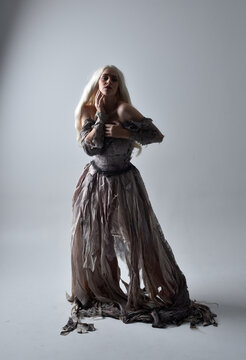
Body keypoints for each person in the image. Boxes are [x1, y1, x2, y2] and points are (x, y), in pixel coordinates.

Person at [60, 65, 218, 335]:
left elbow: (157, 135)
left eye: (114, 78)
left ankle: (163, 288)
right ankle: (103, 289)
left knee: (140, 238)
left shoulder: (124, 111)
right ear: (98, 83)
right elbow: (89, 147)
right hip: (95, 182)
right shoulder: (88, 110)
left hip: (125, 183)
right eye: (104, 77)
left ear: (119, 84)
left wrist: (127, 133)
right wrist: (99, 119)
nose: (108, 81)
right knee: (96, 241)